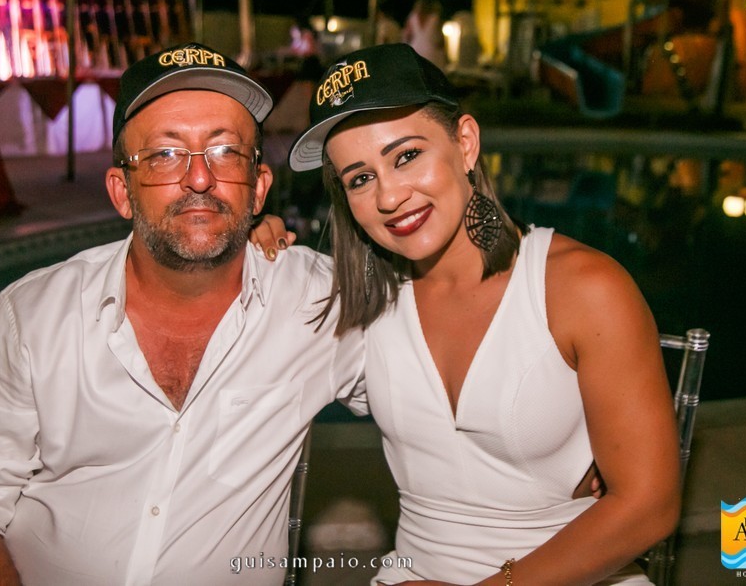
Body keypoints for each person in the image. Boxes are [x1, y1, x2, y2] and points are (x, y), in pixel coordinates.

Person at [0, 42, 364, 585]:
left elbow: (442, 368)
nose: (199, 178)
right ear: (122, 191)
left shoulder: (317, 302)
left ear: (258, 190)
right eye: (164, 154)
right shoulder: (32, 318)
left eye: (225, 151)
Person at [284, 43, 681, 584]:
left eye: (406, 156)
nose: (389, 196)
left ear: (465, 142)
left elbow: (649, 506)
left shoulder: (582, 289)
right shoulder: (363, 302)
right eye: (360, 178)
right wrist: (260, 237)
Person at [402, 0, 447, 69]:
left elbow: (407, 36)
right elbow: (440, 40)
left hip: (416, 51)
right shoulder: (436, 17)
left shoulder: (412, 17)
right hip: (432, 53)